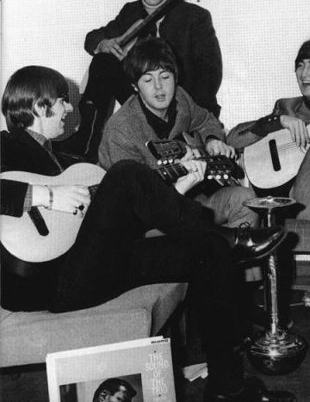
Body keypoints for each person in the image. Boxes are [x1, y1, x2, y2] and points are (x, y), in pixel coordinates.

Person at [1, 65, 294, 402]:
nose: (69, 109)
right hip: (42, 285)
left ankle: (228, 388)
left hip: (83, 265)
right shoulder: (6, 146)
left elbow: (122, 222)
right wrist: (46, 196)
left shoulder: (66, 161)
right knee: (126, 173)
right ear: (40, 106)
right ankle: (229, 241)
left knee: (207, 251)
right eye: (63, 101)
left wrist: (181, 185)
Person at [227, 39, 310, 339]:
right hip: (303, 198)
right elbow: (235, 139)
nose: (304, 72)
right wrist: (278, 121)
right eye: (300, 65)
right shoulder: (287, 107)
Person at [60, 0, 222, 162]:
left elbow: (209, 75)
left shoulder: (194, 17)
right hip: (141, 100)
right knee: (103, 62)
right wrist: (104, 43)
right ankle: (85, 143)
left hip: (180, 104)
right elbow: (92, 38)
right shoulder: (130, 12)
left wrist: (182, 111)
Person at [99, 36, 258, 234]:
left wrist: (212, 140)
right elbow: (136, 201)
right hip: (145, 220)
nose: (159, 87)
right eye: (148, 80)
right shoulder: (120, 130)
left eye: (165, 77)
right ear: (135, 86)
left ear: (175, 77)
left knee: (246, 201)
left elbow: (205, 120)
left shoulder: (180, 99)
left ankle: (230, 262)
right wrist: (178, 177)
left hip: (192, 200)